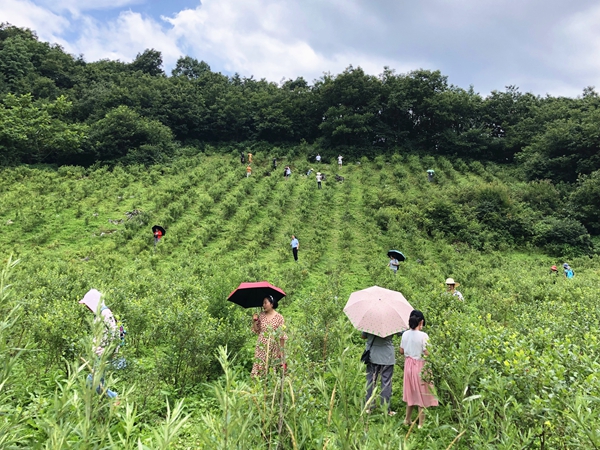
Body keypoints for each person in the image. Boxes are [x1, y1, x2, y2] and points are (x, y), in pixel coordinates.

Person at [79, 289, 119, 402]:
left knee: (92, 381)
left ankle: (114, 399)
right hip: (99, 354)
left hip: (103, 355)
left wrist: (110, 352)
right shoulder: (100, 314)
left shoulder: (105, 314)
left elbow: (114, 334)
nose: (87, 308)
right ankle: (106, 403)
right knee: (95, 382)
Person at [400, 312, 438, 428]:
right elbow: (427, 352)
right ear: (421, 322)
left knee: (411, 392)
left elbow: (401, 351)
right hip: (420, 365)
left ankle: (407, 419)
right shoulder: (423, 336)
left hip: (408, 365)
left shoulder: (405, 334)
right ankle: (421, 424)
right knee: (422, 394)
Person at [362, 331, 397, 415]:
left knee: (370, 380)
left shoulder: (369, 321)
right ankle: (385, 409)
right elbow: (401, 333)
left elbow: (363, 336)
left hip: (372, 355)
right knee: (386, 382)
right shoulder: (391, 321)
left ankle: (369, 407)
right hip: (387, 356)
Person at [251, 295, 287, 377]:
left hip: (273, 346)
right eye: (263, 303)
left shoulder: (279, 317)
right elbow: (257, 330)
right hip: (261, 345)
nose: (263, 305)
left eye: (265, 303)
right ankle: (258, 385)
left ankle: (269, 384)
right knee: (259, 365)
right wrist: (254, 321)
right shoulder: (261, 315)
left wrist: (281, 351)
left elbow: (282, 335)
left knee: (271, 366)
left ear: (272, 304)